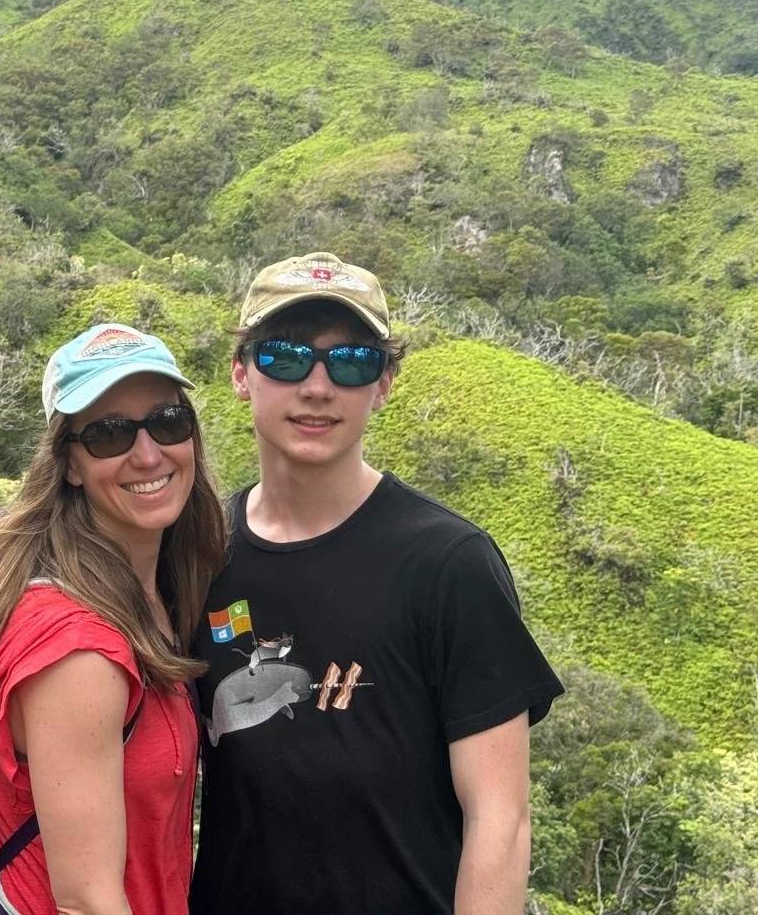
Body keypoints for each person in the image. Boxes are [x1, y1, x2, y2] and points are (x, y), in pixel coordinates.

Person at [190, 253, 564, 915]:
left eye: (352, 362)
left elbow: (500, 820)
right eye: (285, 357)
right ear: (241, 373)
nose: (317, 386)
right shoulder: (200, 555)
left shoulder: (449, 563)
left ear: (384, 384)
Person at [0, 322, 227, 915]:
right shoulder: (79, 651)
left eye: (168, 422)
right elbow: (87, 901)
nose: (148, 454)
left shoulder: (156, 597)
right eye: (109, 434)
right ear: (69, 463)